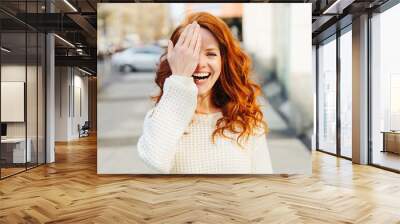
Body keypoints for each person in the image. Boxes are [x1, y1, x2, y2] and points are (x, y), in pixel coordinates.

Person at [137, 12, 273, 174]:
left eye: (210, 54)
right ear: (175, 60)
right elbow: (155, 161)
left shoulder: (246, 120)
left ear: (224, 61)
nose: (199, 63)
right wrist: (180, 78)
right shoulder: (160, 118)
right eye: (190, 54)